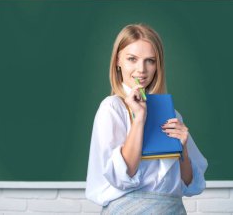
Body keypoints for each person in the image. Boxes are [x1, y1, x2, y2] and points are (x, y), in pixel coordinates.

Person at [85, 23, 208, 214]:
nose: (141, 69)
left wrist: (182, 148)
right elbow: (124, 175)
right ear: (118, 60)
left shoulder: (171, 113)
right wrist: (139, 119)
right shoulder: (112, 108)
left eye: (150, 60)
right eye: (132, 59)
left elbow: (189, 185)